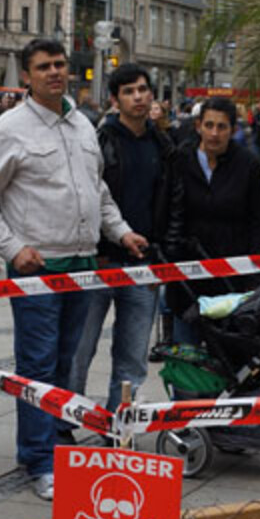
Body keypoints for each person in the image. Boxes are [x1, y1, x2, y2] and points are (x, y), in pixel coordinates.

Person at [0, 39, 146, 500]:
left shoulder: (81, 124)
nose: (55, 73)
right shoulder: (9, 129)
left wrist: (121, 231)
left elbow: (97, 189)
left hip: (83, 264)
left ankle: (54, 450)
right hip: (38, 268)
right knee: (38, 367)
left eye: (61, 65)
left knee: (68, 365)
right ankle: (40, 460)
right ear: (26, 75)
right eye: (44, 67)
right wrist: (13, 248)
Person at [69, 64, 175, 409]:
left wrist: (161, 256)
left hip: (144, 265)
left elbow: (172, 202)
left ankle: (119, 422)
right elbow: (86, 197)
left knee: (132, 356)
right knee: (79, 349)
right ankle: (67, 419)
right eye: (129, 91)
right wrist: (96, 247)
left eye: (143, 89)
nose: (138, 97)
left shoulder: (163, 144)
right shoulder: (99, 141)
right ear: (115, 99)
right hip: (100, 261)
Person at [163, 96, 260, 341]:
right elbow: (167, 213)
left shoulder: (248, 165)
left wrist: (256, 279)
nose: (214, 133)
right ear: (198, 126)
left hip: (232, 282)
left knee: (227, 362)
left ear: (233, 130)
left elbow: (259, 224)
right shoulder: (179, 160)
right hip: (187, 281)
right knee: (187, 363)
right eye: (209, 125)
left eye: (221, 127)